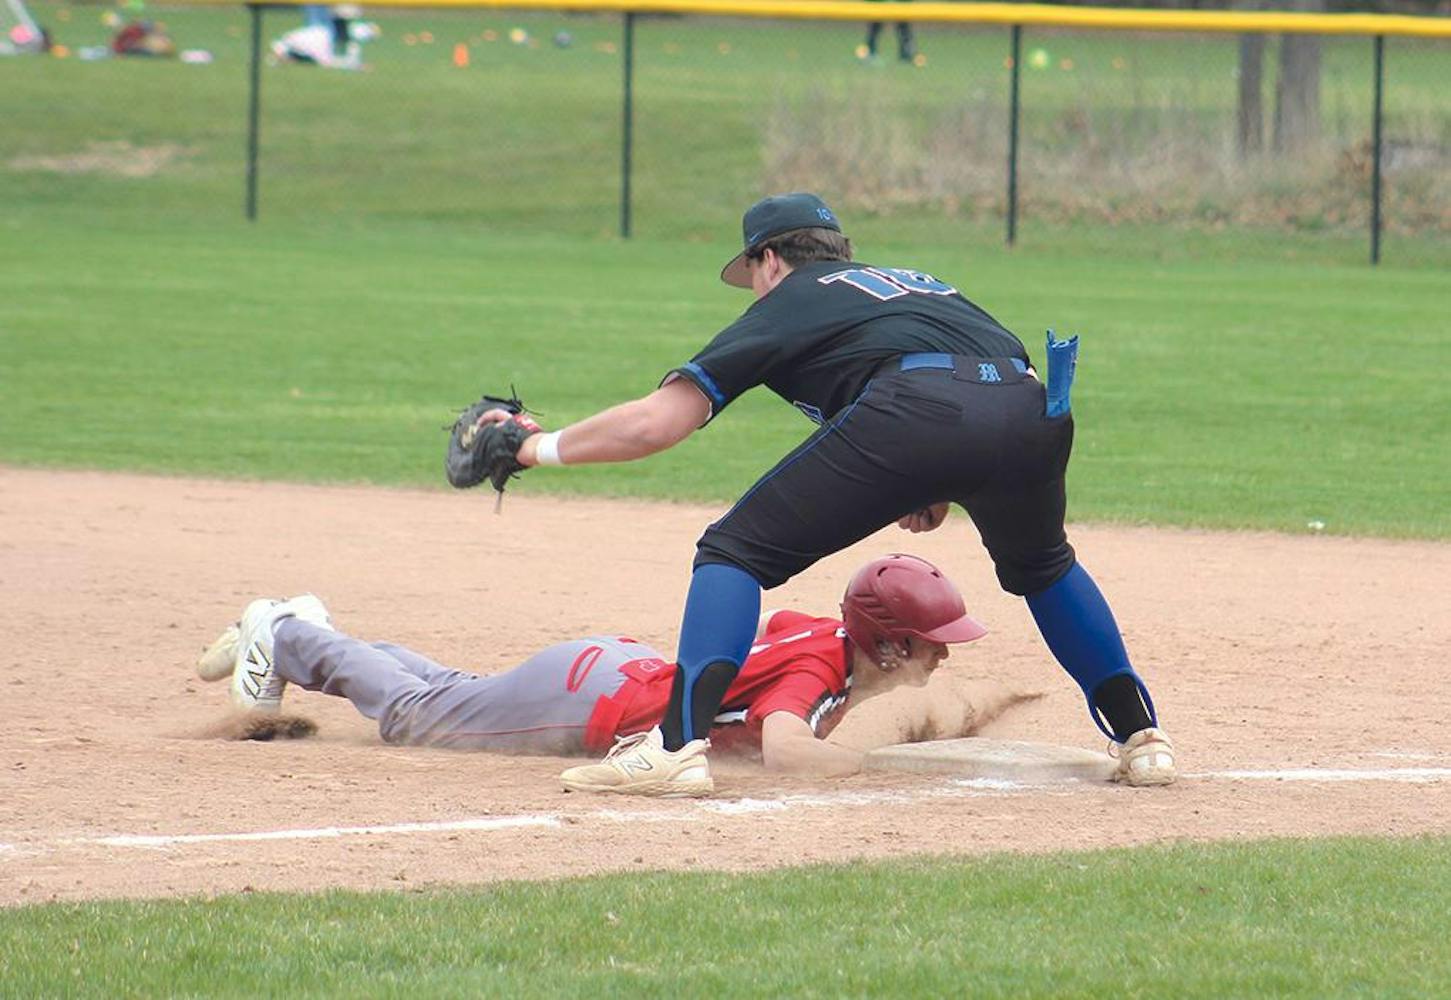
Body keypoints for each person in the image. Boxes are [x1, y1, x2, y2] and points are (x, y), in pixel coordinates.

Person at [475, 192, 1177, 795]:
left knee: (733, 553)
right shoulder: (919, 284)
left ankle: (675, 748)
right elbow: (978, 377)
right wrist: (936, 473)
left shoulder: (794, 297)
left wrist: (532, 446)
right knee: (1043, 566)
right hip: (1032, 408)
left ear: (770, 260)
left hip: (920, 409)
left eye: (751, 274)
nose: (754, 290)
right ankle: (1141, 738)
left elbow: (659, 423)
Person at [197, 555, 1017, 793]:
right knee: (416, 717)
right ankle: (288, 634)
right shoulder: (820, 666)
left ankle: (318, 633)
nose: (942, 654)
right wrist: (871, 766)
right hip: (591, 701)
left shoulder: (827, 636)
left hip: (613, 670)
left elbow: (773, 632)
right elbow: (785, 747)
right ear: (885, 643)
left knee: (449, 694)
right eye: (928, 642)